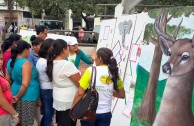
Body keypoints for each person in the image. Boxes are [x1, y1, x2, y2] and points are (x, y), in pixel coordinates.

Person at [71, 47, 125, 126]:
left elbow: (80, 93)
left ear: (100, 59)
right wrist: (108, 91)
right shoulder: (115, 73)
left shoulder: (90, 71)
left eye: (96, 56)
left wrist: (73, 108)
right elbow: (122, 95)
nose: (94, 58)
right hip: (106, 114)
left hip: (89, 112)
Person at [47, 39, 81, 126]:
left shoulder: (52, 62)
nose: (69, 50)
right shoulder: (67, 65)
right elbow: (80, 83)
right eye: (67, 48)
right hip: (69, 101)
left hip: (59, 99)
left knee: (61, 122)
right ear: (63, 50)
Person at [6, 40, 40, 126]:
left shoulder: (10, 61)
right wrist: (17, 97)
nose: (30, 52)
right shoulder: (26, 63)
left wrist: (15, 95)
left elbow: (8, 79)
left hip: (15, 91)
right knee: (27, 121)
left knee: (17, 120)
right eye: (29, 49)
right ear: (25, 50)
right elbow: (25, 84)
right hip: (27, 95)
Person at [36, 38, 55, 126]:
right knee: (49, 114)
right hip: (48, 90)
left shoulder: (41, 60)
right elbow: (53, 76)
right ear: (49, 49)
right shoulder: (45, 62)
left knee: (48, 114)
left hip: (45, 89)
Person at [0, 50, 19, 126]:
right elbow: (1, 100)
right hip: (2, 113)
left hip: (6, 111)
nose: (0, 62)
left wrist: (10, 97)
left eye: (1, 59)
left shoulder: (1, 71)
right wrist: (15, 114)